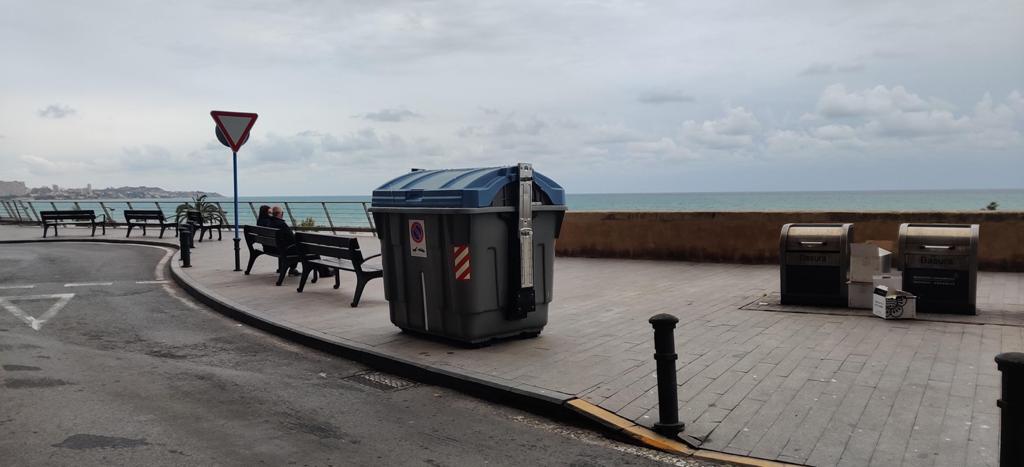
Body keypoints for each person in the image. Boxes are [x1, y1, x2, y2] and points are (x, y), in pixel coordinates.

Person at [266, 205, 300, 275]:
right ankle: (323, 271)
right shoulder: (281, 224)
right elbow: (292, 238)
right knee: (310, 251)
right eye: (282, 213)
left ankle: (290, 269)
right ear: (279, 213)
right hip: (282, 250)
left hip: (272, 248)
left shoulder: (269, 223)